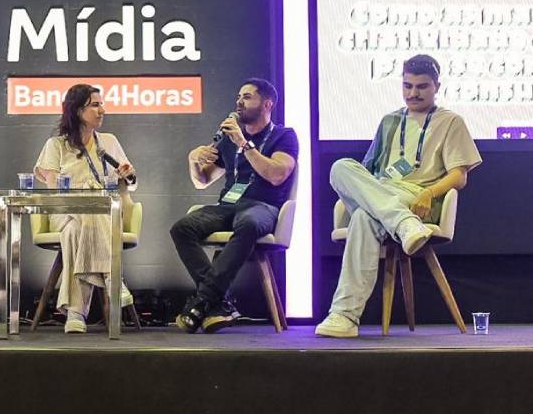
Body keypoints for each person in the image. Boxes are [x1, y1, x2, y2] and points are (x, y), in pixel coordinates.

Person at [315, 54, 482, 338]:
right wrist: (373, 193)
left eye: (421, 87)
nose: (412, 93)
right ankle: (402, 223)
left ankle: (344, 315)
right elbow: (366, 172)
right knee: (340, 167)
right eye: (407, 86)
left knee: (365, 218)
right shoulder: (389, 120)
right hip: (382, 192)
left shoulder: (451, 121)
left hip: (418, 196)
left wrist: (429, 192)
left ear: (436, 86)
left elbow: (459, 176)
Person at [170, 78, 298, 333]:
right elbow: (203, 180)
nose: (239, 101)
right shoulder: (228, 139)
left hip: (263, 206)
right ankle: (219, 303)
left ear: (267, 104)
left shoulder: (284, 136)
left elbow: (277, 175)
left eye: (248, 97)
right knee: (182, 228)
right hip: (227, 206)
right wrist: (193, 160)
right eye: (239, 96)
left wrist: (244, 144)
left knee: (249, 223)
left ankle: (203, 300)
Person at [34, 84, 138, 333]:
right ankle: (113, 277)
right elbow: (54, 189)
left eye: (101, 104)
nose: (102, 110)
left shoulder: (109, 142)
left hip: (105, 214)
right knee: (86, 213)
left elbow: (131, 185)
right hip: (66, 211)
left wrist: (129, 175)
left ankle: (75, 314)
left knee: (76, 231)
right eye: (95, 105)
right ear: (77, 110)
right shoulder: (56, 145)